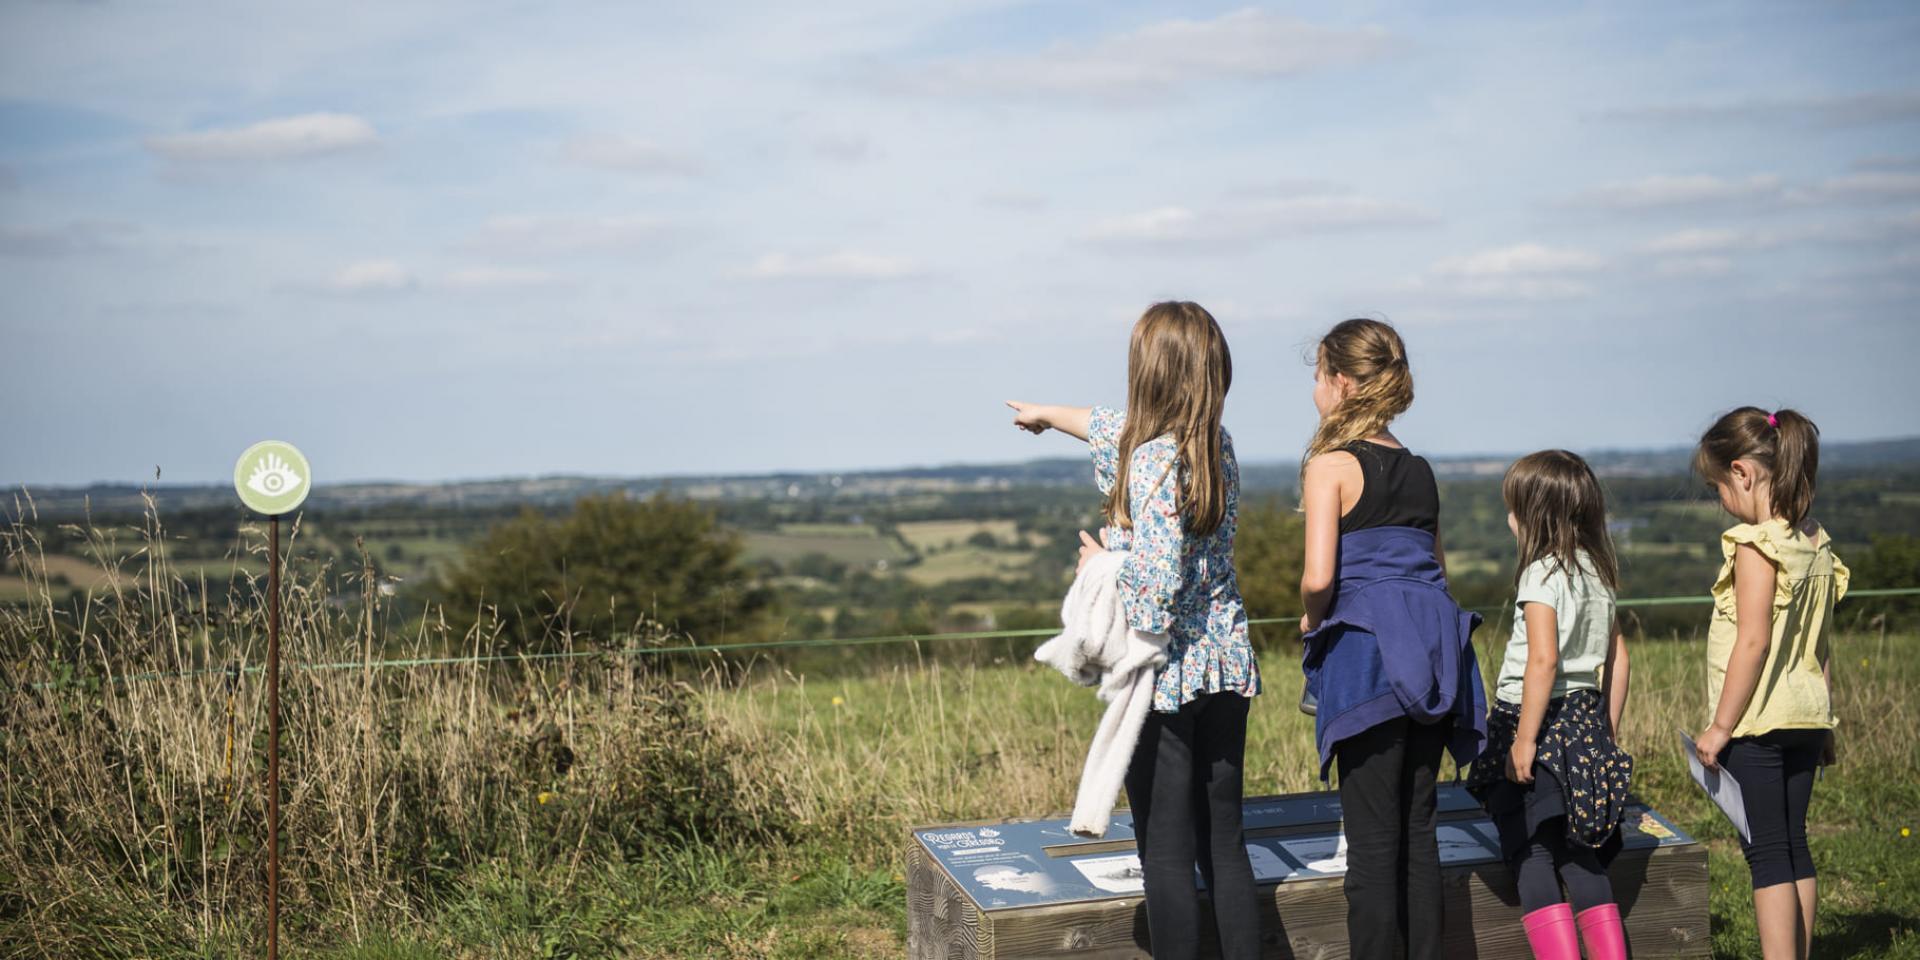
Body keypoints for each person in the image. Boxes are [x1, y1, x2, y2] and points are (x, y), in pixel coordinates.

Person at [1006, 300, 1259, 960]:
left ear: (1145, 372)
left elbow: (1153, 594)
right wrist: (1046, 413)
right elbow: (1102, 423)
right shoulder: (1217, 449)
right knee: (1223, 842)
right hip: (1226, 668)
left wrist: (1102, 567)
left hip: (1163, 681)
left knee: (1166, 851)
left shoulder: (1146, 461)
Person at [1296, 317, 1486, 960]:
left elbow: (1319, 574)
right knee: (1418, 833)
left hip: (1369, 661)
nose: (1316, 391)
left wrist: (1308, 618)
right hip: (1433, 659)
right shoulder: (1421, 469)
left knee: (1372, 846)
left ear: (1343, 383)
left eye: (1319, 377)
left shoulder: (1330, 465)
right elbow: (1436, 571)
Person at [1692, 407, 1848, 960]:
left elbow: (1752, 642)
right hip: (1806, 718)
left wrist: (1718, 728)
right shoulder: (1815, 542)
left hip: (1758, 725)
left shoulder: (1757, 545)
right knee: (1795, 845)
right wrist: (1826, 721)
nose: (1721, 502)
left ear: (1743, 472)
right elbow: (1819, 643)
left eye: (1718, 488)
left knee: (1767, 855)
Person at [1465, 450, 1632, 960]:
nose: (1509, 519)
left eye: (1514, 509)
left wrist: (1524, 739)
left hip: (1532, 723)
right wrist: (1606, 729)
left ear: (1535, 516)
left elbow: (1543, 659)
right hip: (1583, 723)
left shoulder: (1541, 573)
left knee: (1530, 850)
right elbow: (1618, 659)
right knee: (1581, 855)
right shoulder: (1597, 571)